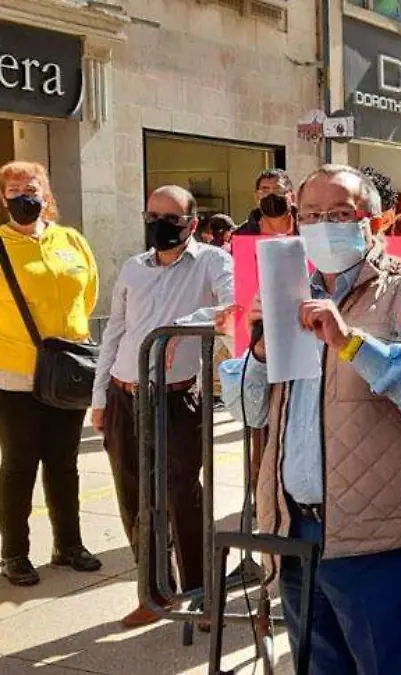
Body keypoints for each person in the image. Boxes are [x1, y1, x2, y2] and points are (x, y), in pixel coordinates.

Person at [222, 165, 401, 674]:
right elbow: (248, 409)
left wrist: (352, 342)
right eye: (309, 215)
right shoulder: (287, 293)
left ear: (374, 223)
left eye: (339, 214)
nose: (322, 225)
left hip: (380, 539)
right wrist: (259, 350)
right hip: (296, 534)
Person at [92, 185, 234, 628]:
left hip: (175, 399)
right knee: (134, 498)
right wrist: (99, 398)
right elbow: (114, 332)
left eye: (170, 219)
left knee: (181, 497)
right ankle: (154, 592)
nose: (158, 225)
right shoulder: (135, 268)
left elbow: (232, 306)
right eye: (151, 215)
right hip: (123, 394)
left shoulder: (213, 261)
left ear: (191, 223)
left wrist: (181, 327)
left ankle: (199, 591)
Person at [0, 161, 102, 586]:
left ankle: (68, 545)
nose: (25, 195)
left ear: (46, 193)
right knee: (19, 464)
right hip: (17, 373)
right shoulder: (1, 244)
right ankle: (16, 554)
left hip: (67, 370)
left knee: (64, 462)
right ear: (3, 198)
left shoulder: (71, 240)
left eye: (32, 186)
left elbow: (90, 295)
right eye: (14, 188)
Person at [236, 169, 296, 237]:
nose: (271, 195)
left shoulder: (306, 228)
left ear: (292, 197)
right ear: (257, 197)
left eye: (278, 190)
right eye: (265, 191)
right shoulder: (242, 235)